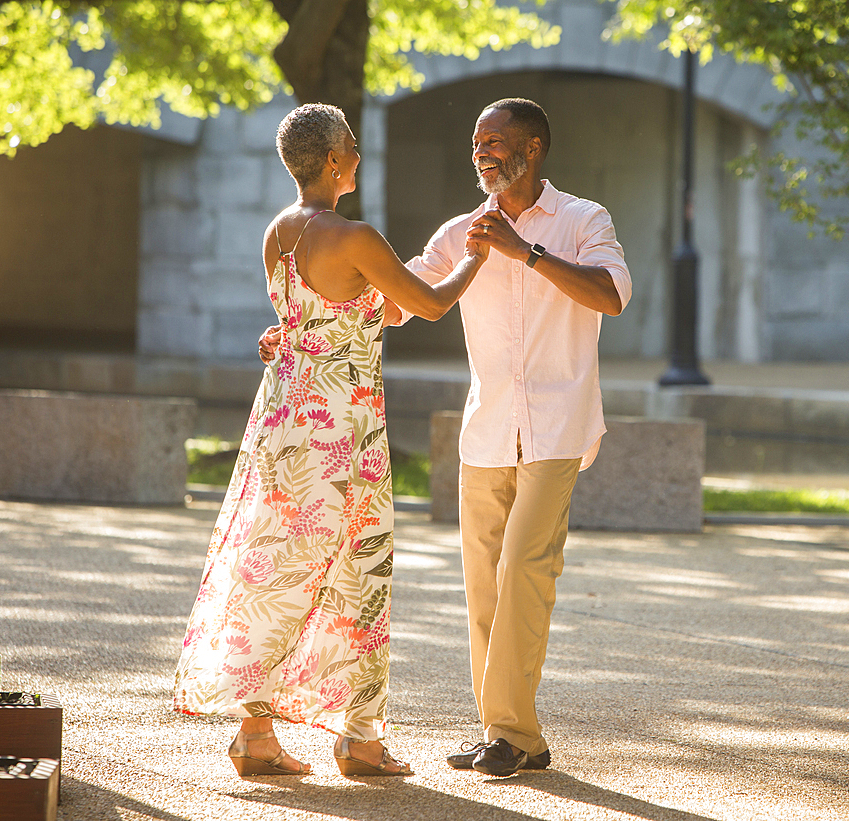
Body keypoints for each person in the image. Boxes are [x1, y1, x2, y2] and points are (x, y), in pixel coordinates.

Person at [260, 97, 630, 777]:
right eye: (477, 144)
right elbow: (390, 298)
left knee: (524, 568)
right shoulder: (459, 230)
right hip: (485, 429)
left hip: (559, 426)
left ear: (535, 148)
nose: (484, 153)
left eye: (498, 142)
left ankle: (512, 733)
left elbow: (610, 294)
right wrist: (299, 329)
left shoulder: (583, 220)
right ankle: (510, 734)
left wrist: (529, 253)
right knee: (484, 585)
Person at [173, 103, 487, 778]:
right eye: (352, 146)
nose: (360, 156)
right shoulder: (355, 236)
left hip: (284, 422)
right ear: (334, 160)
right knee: (358, 571)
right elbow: (429, 305)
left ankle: (261, 733)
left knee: (275, 569)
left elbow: (328, 316)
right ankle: (360, 737)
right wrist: (476, 257)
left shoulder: (277, 234)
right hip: (342, 434)